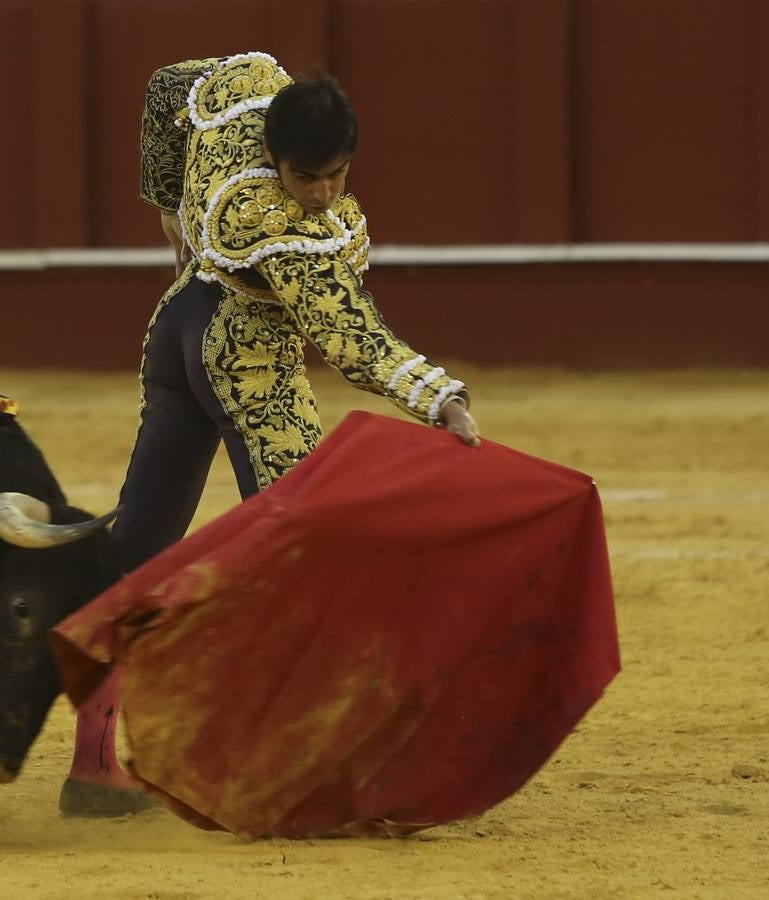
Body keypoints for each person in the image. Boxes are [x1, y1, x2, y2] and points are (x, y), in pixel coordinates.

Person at [58, 51, 483, 818]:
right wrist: (439, 396)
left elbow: (165, 87)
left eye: (335, 176)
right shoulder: (284, 228)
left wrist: (167, 205)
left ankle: (94, 768)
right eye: (305, 177)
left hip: (178, 330)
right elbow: (350, 337)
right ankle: (279, 769)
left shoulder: (244, 88)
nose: (320, 194)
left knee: (138, 550)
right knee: (306, 563)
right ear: (271, 155)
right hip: (249, 363)